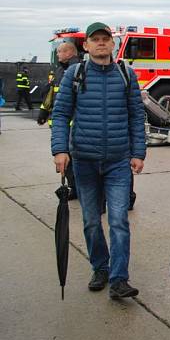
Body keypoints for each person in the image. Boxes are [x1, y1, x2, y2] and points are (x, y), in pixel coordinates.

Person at [51, 22, 146, 299]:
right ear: (87, 46)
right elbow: (60, 115)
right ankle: (100, 267)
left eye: (106, 39)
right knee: (92, 221)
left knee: (118, 221)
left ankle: (118, 279)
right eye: (96, 39)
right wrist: (60, 149)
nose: (101, 43)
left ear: (113, 44)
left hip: (118, 162)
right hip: (84, 161)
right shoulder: (74, 75)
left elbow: (136, 116)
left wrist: (138, 153)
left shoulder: (126, 75)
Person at [39, 41, 81, 199]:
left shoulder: (77, 70)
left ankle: (80, 189)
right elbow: (51, 94)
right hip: (61, 123)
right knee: (67, 160)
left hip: (74, 124)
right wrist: (44, 110)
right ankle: (74, 188)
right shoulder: (59, 70)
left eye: (59, 52)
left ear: (70, 52)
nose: (57, 55)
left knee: (76, 160)